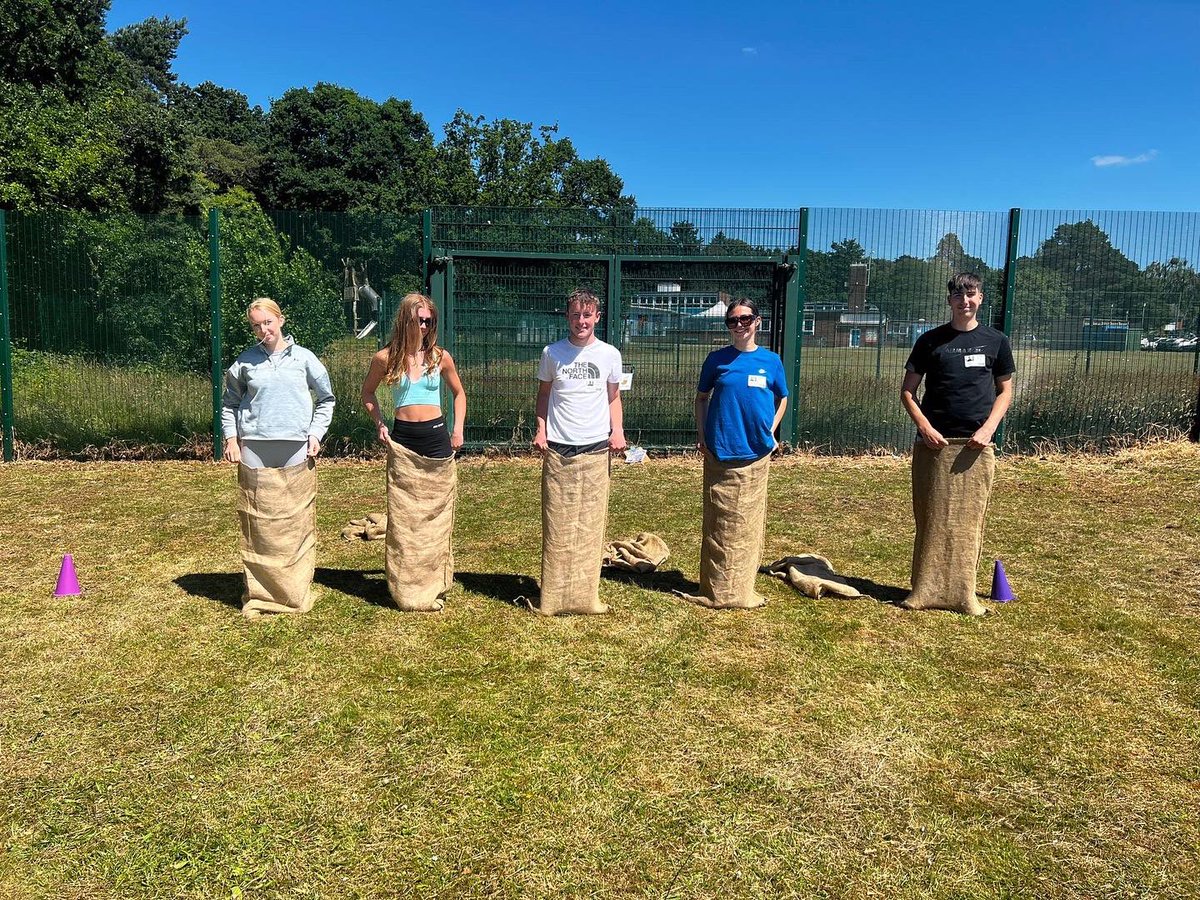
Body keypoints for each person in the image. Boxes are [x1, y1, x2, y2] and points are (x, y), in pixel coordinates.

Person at [900, 272, 1015, 615]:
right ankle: (922, 592)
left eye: (971, 295)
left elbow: (1005, 391)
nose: (964, 301)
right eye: (957, 296)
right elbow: (908, 392)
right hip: (935, 446)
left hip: (975, 447)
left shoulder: (996, 341)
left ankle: (965, 595)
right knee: (931, 519)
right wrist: (924, 427)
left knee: (967, 522)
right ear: (949, 300)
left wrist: (988, 429)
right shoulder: (930, 341)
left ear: (980, 298)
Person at [221, 297, 335, 619]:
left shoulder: (305, 359)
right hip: (254, 447)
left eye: (267, 322)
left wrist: (315, 434)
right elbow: (229, 404)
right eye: (256, 325)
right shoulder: (244, 363)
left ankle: (293, 590)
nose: (263, 329)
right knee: (259, 521)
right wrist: (232, 439)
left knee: (293, 520)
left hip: (297, 447)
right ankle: (260, 592)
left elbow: (327, 398)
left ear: (280, 320)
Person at [361, 293, 465, 611]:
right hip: (403, 439)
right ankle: (405, 583)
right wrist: (380, 423)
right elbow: (367, 393)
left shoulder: (440, 357)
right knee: (405, 515)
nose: (424, 325)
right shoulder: (385, 358)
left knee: (435, 514)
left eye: (429, 321)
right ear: (405, 320)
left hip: (436, 439)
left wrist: (457, 429)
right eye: (419, 319)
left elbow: (459, 393)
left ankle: (433, 581)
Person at [682, 299, 788, 609]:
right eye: (732, 320)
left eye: (745, 319)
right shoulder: (717, 360)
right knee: (720, 523)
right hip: (721, 452)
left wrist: (771, 430)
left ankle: (741, 587)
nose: (739, 325)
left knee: (747, 524)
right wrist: (702, 436)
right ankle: (715, 588)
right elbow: (701, 399)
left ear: (758, 321)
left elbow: (782, 397)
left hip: (756, 453)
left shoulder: (772, 361)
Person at [532, 288, 626, 615]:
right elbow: (543, 395)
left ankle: (586, 596)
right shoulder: (552, 353)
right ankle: (554, 598)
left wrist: (618, 432)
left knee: (589, 525)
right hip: (559, 449)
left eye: (587, 315)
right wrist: (541, 429)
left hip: (597, 447)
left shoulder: (610, 354)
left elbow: (613, 397)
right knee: (558, 525)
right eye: (576, 315)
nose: (581, 321)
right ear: (567, 317)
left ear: (597, 317)